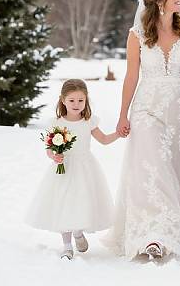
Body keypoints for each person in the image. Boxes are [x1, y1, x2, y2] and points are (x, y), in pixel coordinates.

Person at [103, 0, 180, 259]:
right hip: (146, 109)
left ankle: (178, 228)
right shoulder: (137, 34)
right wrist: (122, 115)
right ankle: (153, 235)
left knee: (177, 169)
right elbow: (131, 76)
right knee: (151, 168)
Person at [25, 79, 119, 260]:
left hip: (85, 168)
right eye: (72, 100)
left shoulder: (88, 121)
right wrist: (54, 155)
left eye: (80, 100)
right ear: (63, 100)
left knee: (81, 201)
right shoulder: (57, 123)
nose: (76, 105)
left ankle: (78, 233)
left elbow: (105, 140)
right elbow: (49, 148)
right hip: (64, 168)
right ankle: (67, 246)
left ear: (86, 101)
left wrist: (119, 134)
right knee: (64, 203)